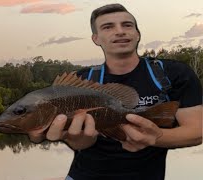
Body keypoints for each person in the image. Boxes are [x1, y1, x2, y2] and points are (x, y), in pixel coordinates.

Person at [29, 3, 202, 180]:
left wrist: (155, 138)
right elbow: (53, 137)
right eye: (108, 27)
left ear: (137, 34)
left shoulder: (174, 74)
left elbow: (197, 132)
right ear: (96, 38)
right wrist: (66, 138)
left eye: (127, 25)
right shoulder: (78, 82)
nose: (120, 31)